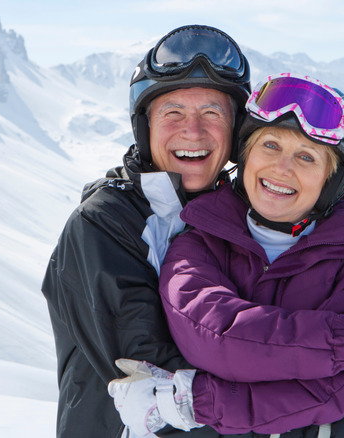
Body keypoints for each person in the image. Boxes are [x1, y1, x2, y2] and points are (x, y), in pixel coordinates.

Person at [108, 74, 344, 437]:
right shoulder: (198, 241)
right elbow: (217, 339)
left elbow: (338, 390)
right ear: (245, 155)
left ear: (330, 181)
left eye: (306, 156)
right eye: (270, 145)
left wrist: (195, 401)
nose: (282, 168)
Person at [41, 24, 252, 438]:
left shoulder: (239, 219)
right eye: (173, 112)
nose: (194, 131)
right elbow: (157, 380)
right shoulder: (104, 224)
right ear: (146, 126)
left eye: (212, 112)